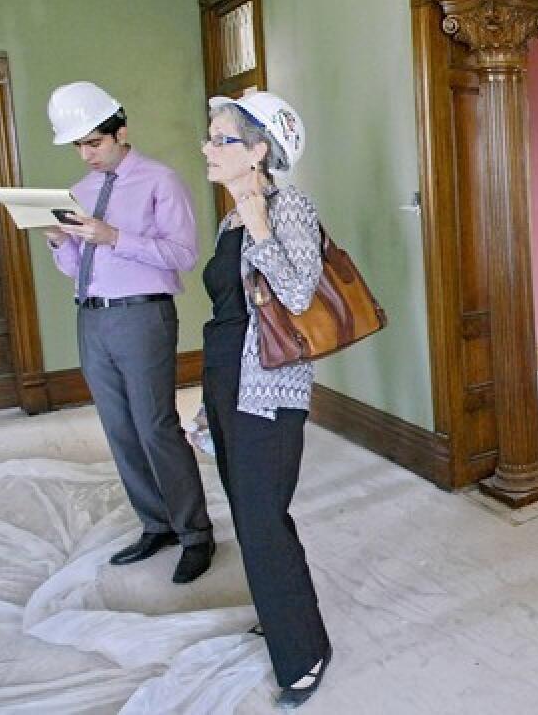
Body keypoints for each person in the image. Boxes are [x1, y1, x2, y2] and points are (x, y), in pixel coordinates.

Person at [44, 81, 214, 584]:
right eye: (79, 145)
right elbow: (77, 267)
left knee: (156, 426)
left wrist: (114, 236)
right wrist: (60, 242)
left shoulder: (161, 181)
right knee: (118, 430)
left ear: (121, 132)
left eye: (94, 142)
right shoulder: (82, 191)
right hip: (91, 317)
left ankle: (196, 534)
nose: (87, 154)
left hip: (142, 316)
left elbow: (183, 255)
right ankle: (155, 524)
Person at [196, 91, 331, 709]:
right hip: (227, 380)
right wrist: (207, 402)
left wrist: (261, 227)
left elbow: (300, 295)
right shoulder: (227, 219)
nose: (207, 147)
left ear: (258, 152)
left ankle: (304, 652)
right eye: (211, 136)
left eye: (221, 138)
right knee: (249, 514)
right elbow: (229, 311)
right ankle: (282, 613)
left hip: (271, 389)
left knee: (262, 516)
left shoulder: (289, 206)